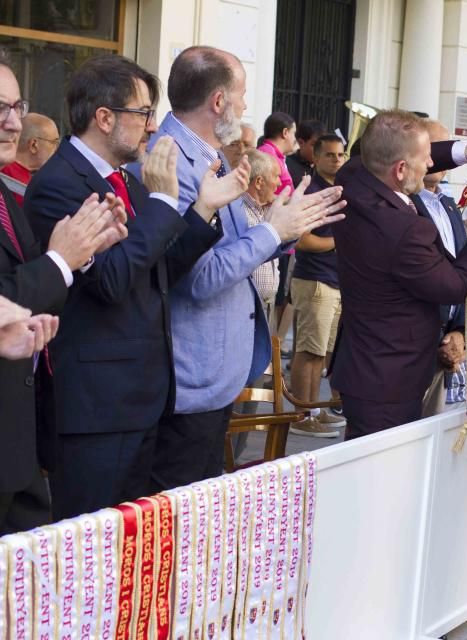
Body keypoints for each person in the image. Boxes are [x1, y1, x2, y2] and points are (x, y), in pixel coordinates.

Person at [24, 54, 250, 519]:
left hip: (145, 398)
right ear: (105, 118)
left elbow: (161, 269)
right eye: (144, 113)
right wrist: (168, 202)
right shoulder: (58, 184)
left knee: (141, 549)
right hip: (97, 408)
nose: (153, 127)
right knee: (95, 551)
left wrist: (201, 209)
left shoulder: (131, 178)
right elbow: (111, 280)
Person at [141, 45, 346, 490]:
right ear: (219, 102)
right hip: (192, 379)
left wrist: (287, 225)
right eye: (242, 94)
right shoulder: (171, 160)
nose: (246, 105)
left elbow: (236, 246)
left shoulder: (207, 152)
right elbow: (199, 277)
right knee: (180, 523)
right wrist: (272, 232)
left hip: (215, 377)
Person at [0, 44, 124, 539]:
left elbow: (34, 292)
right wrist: (60, 259)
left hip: (18, 444)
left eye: (17, 107)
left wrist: (82, 250)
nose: (14, 123)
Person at [331, 109, 467, 439]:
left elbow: (392, 149)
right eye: (424, 160)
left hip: (366, 367)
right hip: (389, 382)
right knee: (384, 479)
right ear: (400, 170)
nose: (431, 165)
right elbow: (454, 285)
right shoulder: (403, 230)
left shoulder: (353, 177)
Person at [289, 133, 349, 437]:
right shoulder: (311, 190)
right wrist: (338, 243)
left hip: (335, 281)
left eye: (341, 155)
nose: (337, 160)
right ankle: (301, 415)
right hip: (315, 279)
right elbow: (301, 238)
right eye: (330, 155)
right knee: (308, 350)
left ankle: (314, 409)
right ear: (316, 156)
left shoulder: (339, 189)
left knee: (323, 352)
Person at [413, 120, 467, 416]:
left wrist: (460, 331)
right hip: (411, 350)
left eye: (446, 148)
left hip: (446, 348)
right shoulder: (403, 203)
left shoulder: (449, 205)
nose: (439, 157)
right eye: (433, 148)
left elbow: (462, 272)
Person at [241, 148, 283, 325]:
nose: (279, 183)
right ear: (259, 182)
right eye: (276, 176)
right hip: (247, 308)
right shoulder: (240, 211)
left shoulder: (266, 209)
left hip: (265, 305)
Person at [0, 112, 59, 204]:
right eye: (54, 142)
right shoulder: (4, 175)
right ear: (34, 145)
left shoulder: (2, 168)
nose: (57, 149)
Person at [258, 111, 296, 195]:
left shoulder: (273, 154)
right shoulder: (267, 155)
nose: (295, 139)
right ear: (285, 132)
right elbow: (266, 195)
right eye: (294, 133)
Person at [286, 119, 323, 186]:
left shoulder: (326, 165)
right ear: (301, 142)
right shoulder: (287, 166)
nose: (320, 150)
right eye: (314, 145)